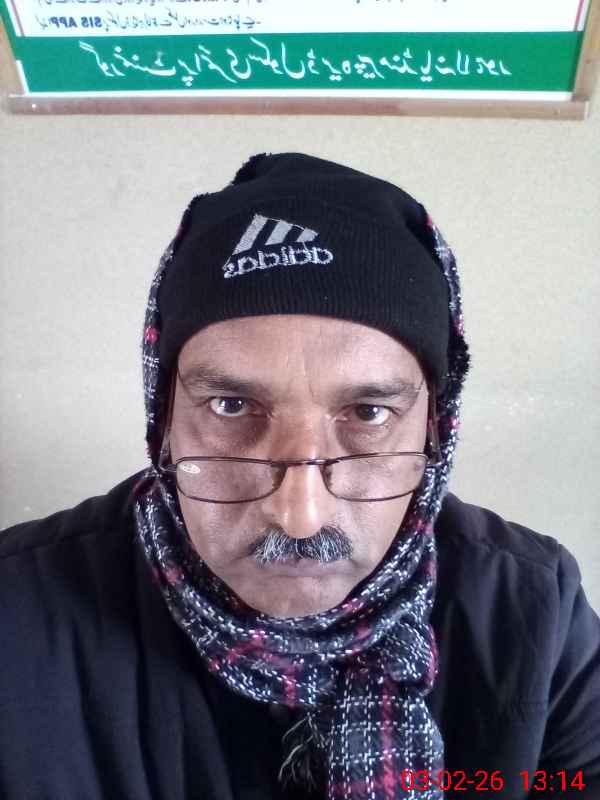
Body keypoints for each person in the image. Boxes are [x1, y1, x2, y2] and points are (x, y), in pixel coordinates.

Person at [1, 152, 599, 800]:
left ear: (434, 428)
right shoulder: (17, 611)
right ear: (163, 418)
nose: (300, 515)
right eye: (232, 407)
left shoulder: (534, 612)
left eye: (369, 413)